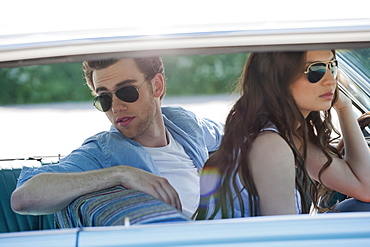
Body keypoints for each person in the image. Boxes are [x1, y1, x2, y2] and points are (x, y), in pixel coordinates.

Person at [11, 57, 223, 224]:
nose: (116, 107)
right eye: (104, 98)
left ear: (157, 86)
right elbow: (23, 197)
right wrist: (120, 174)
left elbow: (234, 132)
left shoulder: (184, 124)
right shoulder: (104, 151)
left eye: (126, 91)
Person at [196, 50, 370, 220]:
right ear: (279, 78)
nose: (331, 81)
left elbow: (365, 189)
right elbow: (282, 237)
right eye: (316, 71)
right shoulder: (271, 144)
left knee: (357, 208)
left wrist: (344, 106)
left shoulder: (290, 136)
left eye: (332, 67)